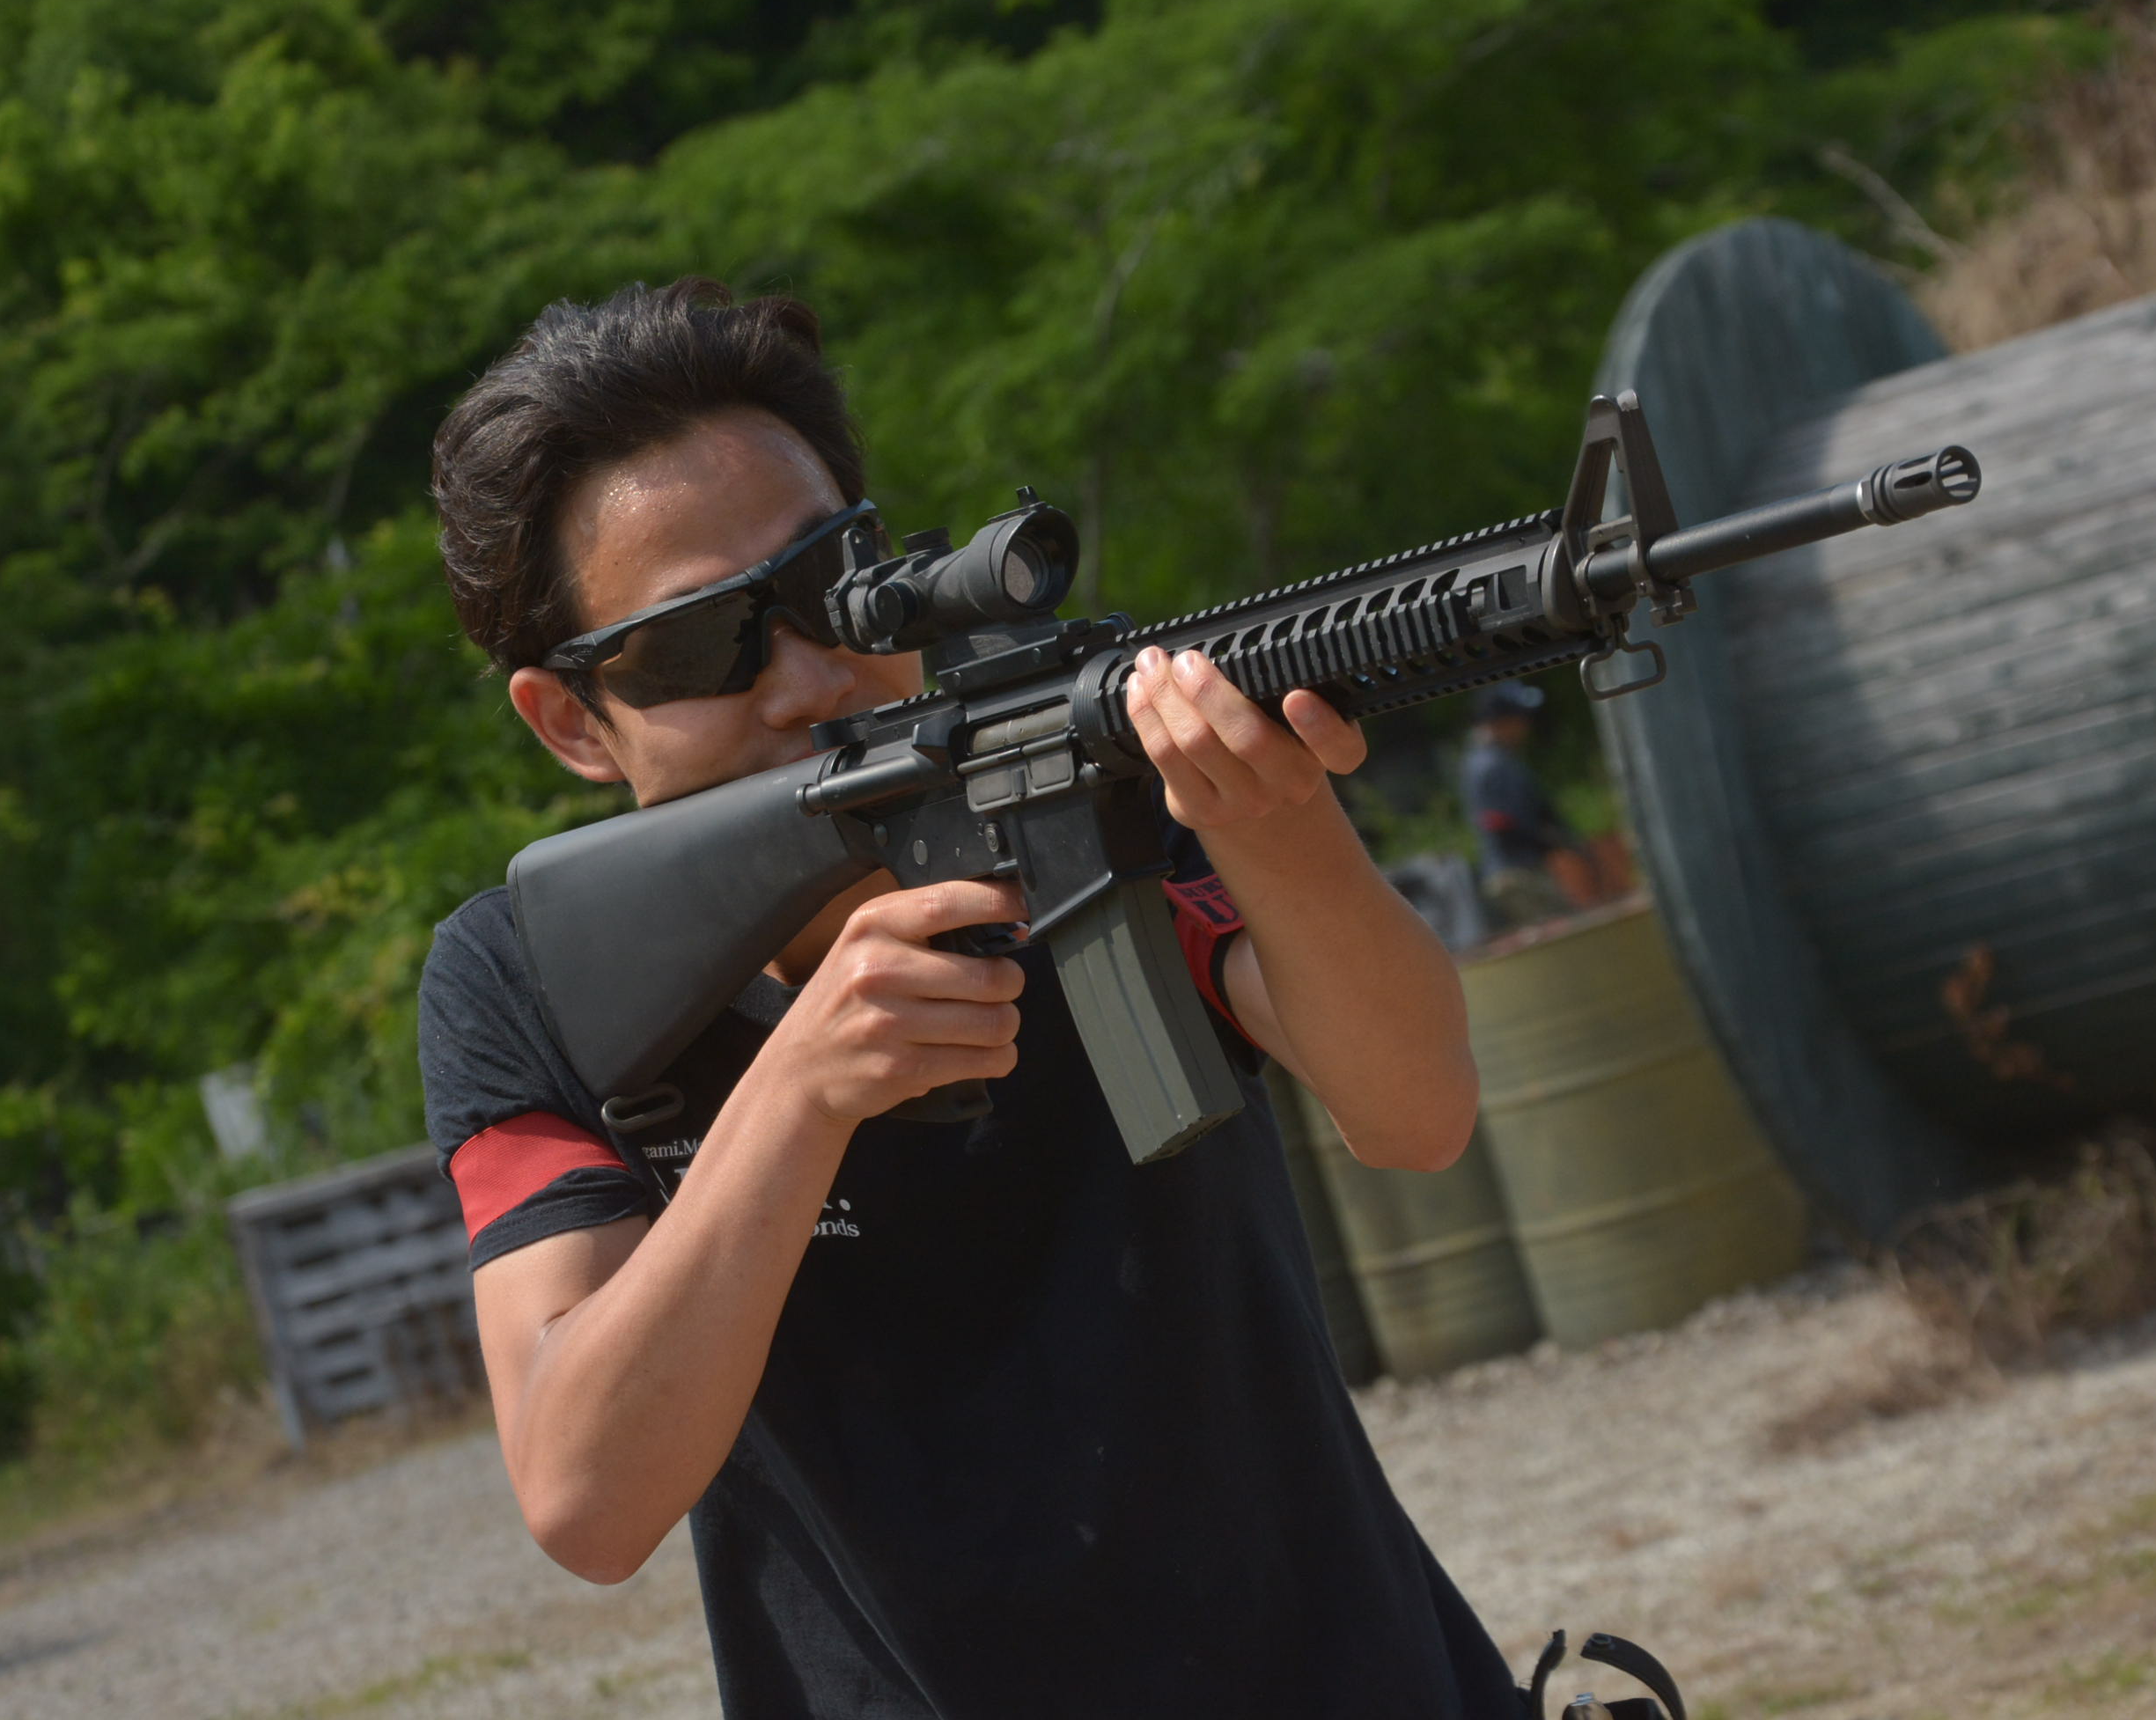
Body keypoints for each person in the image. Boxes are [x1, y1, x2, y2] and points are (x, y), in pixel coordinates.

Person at [417, 277, 1525, 1716]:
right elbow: (586, 1499)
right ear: (571, 719)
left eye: (831, 584)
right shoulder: (526, 977)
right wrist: (800, 1098)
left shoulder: (1086, 782)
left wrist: (1280, 821)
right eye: (701, 645)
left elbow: (1417, 1114)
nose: (808, 676)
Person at [1461, 682, 1600, 930]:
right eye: (1519, 718)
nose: (1526, 726)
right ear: (1500, 720)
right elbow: (1502, 822)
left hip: (1520, 871)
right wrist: (1552, 839)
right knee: (1567, 933)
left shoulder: (1495, 760)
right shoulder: (1491, 765)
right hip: (1517, 875)